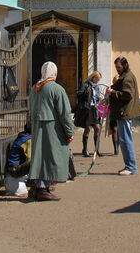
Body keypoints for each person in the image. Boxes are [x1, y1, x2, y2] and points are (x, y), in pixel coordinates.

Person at [27, 61, 74, 201]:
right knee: (51, 156)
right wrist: (69, 131)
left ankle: (36, 185)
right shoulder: (56, 89)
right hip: (52, 127)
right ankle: (43, 187)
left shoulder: (35, 88)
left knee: (39, 156)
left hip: (37, 125)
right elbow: (65, 113)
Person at [108, 56, 140, 176]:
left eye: (119, 67)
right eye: (116, 67)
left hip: (124, 112)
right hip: (122, 112)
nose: (117, 69)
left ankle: (131, 166)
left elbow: (127, 95)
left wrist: (113, 93)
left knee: (126, 140)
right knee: (124, 139)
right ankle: (129, 165)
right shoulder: (125, 76)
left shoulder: (127, 78)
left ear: (125, 66)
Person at [74, 71, 104, 156]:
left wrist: (100, 99)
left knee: (97, 128)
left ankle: (97, 149)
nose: (97, 81)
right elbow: (79, 95)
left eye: (98, 80)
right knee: (87, 128)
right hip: (87, 108)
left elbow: (96, 96)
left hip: (95, 108)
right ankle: (85, 149)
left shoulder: (97, 86)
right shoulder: (85, 84)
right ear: (92, 77)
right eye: (96, 79)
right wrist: (87, 91)